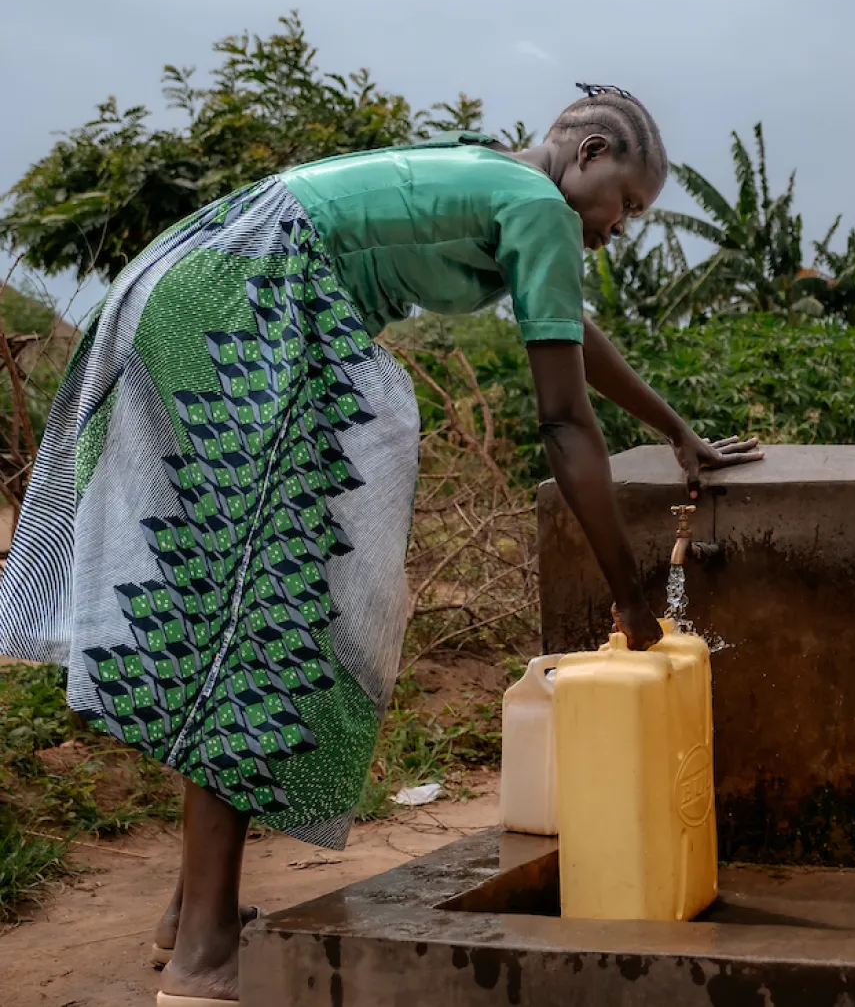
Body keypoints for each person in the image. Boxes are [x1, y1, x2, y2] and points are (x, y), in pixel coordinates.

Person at [0, 83, 761, 1006]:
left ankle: (186, 914)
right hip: (250, 305)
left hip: (202, 274)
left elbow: (570, 330)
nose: (621, 227)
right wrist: (632, 601)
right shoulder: (537, 206)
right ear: (591, 150)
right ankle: (203, 955)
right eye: (629, 204)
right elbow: (564, 422)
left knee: (247, 599)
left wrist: (674, 427)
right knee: (258, 614)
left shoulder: (496, 176)